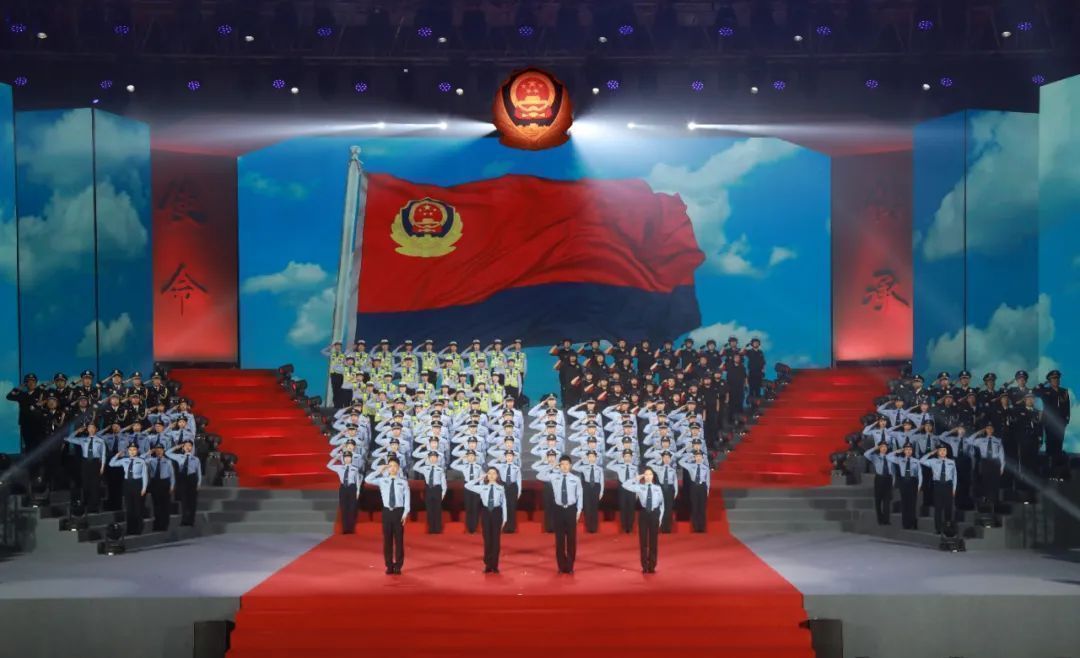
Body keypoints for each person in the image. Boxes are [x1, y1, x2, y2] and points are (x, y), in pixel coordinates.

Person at [536, 456, 583, 574]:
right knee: (560, 539)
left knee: (571, 539)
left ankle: (570, 566)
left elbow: (580, 495)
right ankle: (561, 567)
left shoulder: (576, 479)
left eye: (567, 464)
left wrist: (578, 511)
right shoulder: (554, 476)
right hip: (558, 510)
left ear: (570, 466)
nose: (565, 466)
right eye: (562, 464)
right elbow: (539, 475)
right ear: (559, 465)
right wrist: (551, 466)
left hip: (571, 510)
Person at [365, 458, 410, 574]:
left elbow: (407, 500)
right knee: (387, 540)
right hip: (387, 512)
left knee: (399, 540)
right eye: (390, 466)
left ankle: (398, 566)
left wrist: (405, 514)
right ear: (387, 468)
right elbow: (367, 479)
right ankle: (389, 565)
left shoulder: (403, 482)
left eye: (395, 466)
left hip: (398, 512)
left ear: (398, 468)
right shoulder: (382, 480)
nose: (392, 468)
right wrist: (379, 470)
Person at [465, 467, 508, 573]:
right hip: (486, 513)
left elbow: (504, 504)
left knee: (496, 540)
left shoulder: (501, 488)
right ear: (487, 475)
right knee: (487, 539)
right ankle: (488, 564)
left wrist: (505, 518)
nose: (492, 475)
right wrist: (480, 478)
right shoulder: (482, 487)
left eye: (494, 473)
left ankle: (495, 565)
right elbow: (467, 485)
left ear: (497, 476)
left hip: (497, 512)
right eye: (489, 473)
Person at [622, 467, 664, 573]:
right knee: (643, 541)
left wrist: (660, 518)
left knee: (653, 541)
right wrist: (637, 478)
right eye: (646, 474)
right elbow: (625, 485)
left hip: (654, 514)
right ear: (644, 476)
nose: (648, 476)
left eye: (650, 474)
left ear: (653, 476)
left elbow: (662, 504)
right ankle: (644, 566)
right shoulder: (640, 487)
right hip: (644, 514)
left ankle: (652, 566)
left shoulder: (658, 488)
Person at [64, 423, 107, 512]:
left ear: (96, 429)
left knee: (95, 484)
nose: (91, 429)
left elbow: (103, 455)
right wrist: (77, 431)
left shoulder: (100, 441)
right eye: (89, 428)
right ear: (87, 429)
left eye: (93, 428)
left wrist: (102, 466)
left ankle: (95, 505)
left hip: (95, 463)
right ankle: (86, 503)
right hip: (85, 463)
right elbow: (68, 439)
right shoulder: (83, 440)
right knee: (86, 483)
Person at [109, 442, 148, 535]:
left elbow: (145, 475)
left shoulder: (141, 461)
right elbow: (111, 464)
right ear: (128, 451)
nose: (132, 451)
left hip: (137, 483)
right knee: (129, 508)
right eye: (130, 450)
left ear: (137, 450)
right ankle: (130, 529)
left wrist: (144, 488)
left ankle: (138, 529)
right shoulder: (124, 460)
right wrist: (117, 455)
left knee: (138, 507)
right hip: (127, 484)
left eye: (134, 450)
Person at [919, 445, 957, 534]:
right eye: (940, 450)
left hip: (948, 485)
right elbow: (921, 461)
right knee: (938, 508)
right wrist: (931, 453)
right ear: (937, 452)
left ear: (946, 452)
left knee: (948, 508)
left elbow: (954, 476)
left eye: (944, 450)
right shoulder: (933, 461)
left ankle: (947, 529)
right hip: (938, 485)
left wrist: (954, 488)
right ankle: (938, 529)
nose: (943, 452)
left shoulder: (951, 462)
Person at [166, 439, 202, 526]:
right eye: (186, 446)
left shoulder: (196, 459)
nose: (188, 447)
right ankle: (184, 520)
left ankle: (191, 520)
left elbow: (199, 473)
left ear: (192, 447)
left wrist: (198, 484)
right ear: (183, 447)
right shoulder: (179, 457)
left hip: (192, 479)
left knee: (192, 501)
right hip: (183, 479)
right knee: (184, 500)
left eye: (190, 446)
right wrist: (176, 447)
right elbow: (167, 453)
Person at [886, 443, 921, 530]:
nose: (908, 451)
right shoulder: (900, 460)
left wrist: (919, 485)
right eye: (906, 449)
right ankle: (906, 524)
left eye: (910, 449)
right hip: (903, 481)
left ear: (912, 451)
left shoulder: (916, 461)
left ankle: (913, 522)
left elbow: (920, 474)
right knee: (904, 503)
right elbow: (888, 456)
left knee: (912, 503)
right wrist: (898, 451)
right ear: (904, 451)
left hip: (912, 481)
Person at [144, 443, 176, 532]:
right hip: (155, 483)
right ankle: (157, 525)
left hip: (165, 484)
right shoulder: (151, 460)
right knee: (156, 506)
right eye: (157, 450)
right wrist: (149, 452)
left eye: (160, 450)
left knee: (165, 506)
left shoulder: (168, 461)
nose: (158, 452)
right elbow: (142, 460)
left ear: (163, 451)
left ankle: (164, 525)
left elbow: (172, 475)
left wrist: (172, 486)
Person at [413, 451, 447, 534]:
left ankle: (437, 529)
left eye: (434, 457)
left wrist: (443, 493)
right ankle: (431, 529)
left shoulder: (440, 469)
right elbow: (415, 467)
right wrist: (423, 459)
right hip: (428, 489)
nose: (433, 459)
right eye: (431, 457)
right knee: (429, 510)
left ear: (437, 458)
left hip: (437, 489)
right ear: (429, 458)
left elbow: (443, 482)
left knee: (437, 510)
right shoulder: (425, 468)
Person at [327, 452, 362, 534]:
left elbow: (358, 480)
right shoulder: (339, 467)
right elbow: (328, 465)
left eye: (349, 457)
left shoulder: (355, 468)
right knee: (344, 508)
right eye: (345, 457)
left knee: (352, 508)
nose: (347, 459)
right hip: (343, 488)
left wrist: (358, 491)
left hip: (352, 488)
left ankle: (351, 528)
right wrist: (337, 457)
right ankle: (345, 529)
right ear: (343, 458)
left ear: (351, 458)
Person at [572, 450, 605, 533]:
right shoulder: (584, 467)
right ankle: (588, 527)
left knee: (594, 508)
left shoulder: (599, 469)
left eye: (593, 457)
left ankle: (594, 528)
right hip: (587, 487)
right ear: (588, 458)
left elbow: (602, 481)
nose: (591, 458)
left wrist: (601, 492)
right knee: (587, 507)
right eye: (590, 457)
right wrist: (581, 459)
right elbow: (574, 467)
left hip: (596, 487)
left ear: (596, 458)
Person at [679, 450, 710, 532]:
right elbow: (681, 462)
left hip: (702, 487)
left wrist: (707, 490)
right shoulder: (690, 466)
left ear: (702, 458)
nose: (698, 458)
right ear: (695, 457)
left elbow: (708, 480)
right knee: (695, 507)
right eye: (697, 456)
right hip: (694, 487)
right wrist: (690, 456)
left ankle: (702, 527)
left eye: (700, 456)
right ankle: (695, 527)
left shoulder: (705, 468)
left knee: (702, 508)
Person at [608, 449, 639, 533]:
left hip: (632, 489)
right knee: (623, 508)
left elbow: (637, 480)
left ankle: (630, 526)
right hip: (622, 489)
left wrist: (637, 492)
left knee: (631, 508)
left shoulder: (634, 467)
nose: (627, 458)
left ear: (631, 457)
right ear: (623, 457)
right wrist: (617, 459)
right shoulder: (619, 466)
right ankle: (624, 526)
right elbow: (609, 466)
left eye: (629, 456)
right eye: (625, 456)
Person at [864, 441, 894, 525]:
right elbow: (866, 454)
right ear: (879, 448)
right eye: (882, 447)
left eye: (885, 447)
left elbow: (893, 470)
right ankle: (880, 519)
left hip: (888, 479)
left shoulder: (890, 457)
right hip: (879, 479)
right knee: (878, 500)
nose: (884, 448)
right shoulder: (875, 457)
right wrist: (875, 448)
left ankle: (886, 520)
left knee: (887, 501)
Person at [492, 450, 521, 533]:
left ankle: (511, 527)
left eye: (510, 456)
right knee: (504, 507)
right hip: (504, 486)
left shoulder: (516, 468)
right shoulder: (501, 466)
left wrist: (519, 492)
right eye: (507, 456)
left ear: (513, 457)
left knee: (512, 507)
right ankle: (504, 527)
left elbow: (519, 480)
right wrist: (499, 459)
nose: (509, 457)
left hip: (513, 487)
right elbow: (491, 463)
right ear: (505, 457)